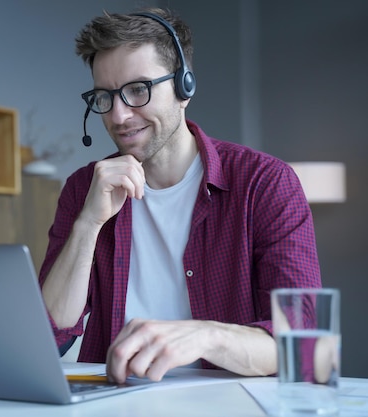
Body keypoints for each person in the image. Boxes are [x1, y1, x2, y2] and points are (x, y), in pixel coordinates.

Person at [38, 7, 321, 384]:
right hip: (116, 403)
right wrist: (88, 224)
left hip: (229, 406)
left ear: (184, 88)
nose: (119, 116)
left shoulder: (265, 183)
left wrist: (205, 336)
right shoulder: (83, 187)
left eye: (138, 90)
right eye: (104, 97)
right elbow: (51, 333)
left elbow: (301, 343)